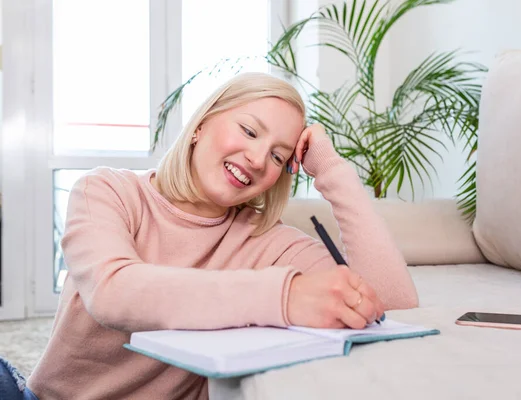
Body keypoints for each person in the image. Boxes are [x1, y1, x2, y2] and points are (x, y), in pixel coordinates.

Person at [23, 72, 418, 399]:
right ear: (201, 125)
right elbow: (113, 292)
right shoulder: (107, 191)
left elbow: (393, 309)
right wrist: (284, 297)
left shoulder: (269, 242)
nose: (259, 159)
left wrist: (333, 170)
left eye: (279, 156)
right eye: (249, 131)